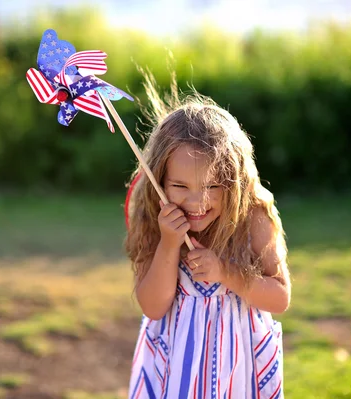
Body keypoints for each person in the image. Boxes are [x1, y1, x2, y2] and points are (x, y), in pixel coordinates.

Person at [124, 73, 291, 399]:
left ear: (235, 179)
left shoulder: (252, 217)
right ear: (159, 178)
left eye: (214, 186)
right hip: (176, 369)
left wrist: (224, 272)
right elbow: (152, 306)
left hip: (238, 369)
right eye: (180, 186)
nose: (198, 202)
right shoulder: (154, 218)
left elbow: (280, 297)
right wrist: (169, 244)